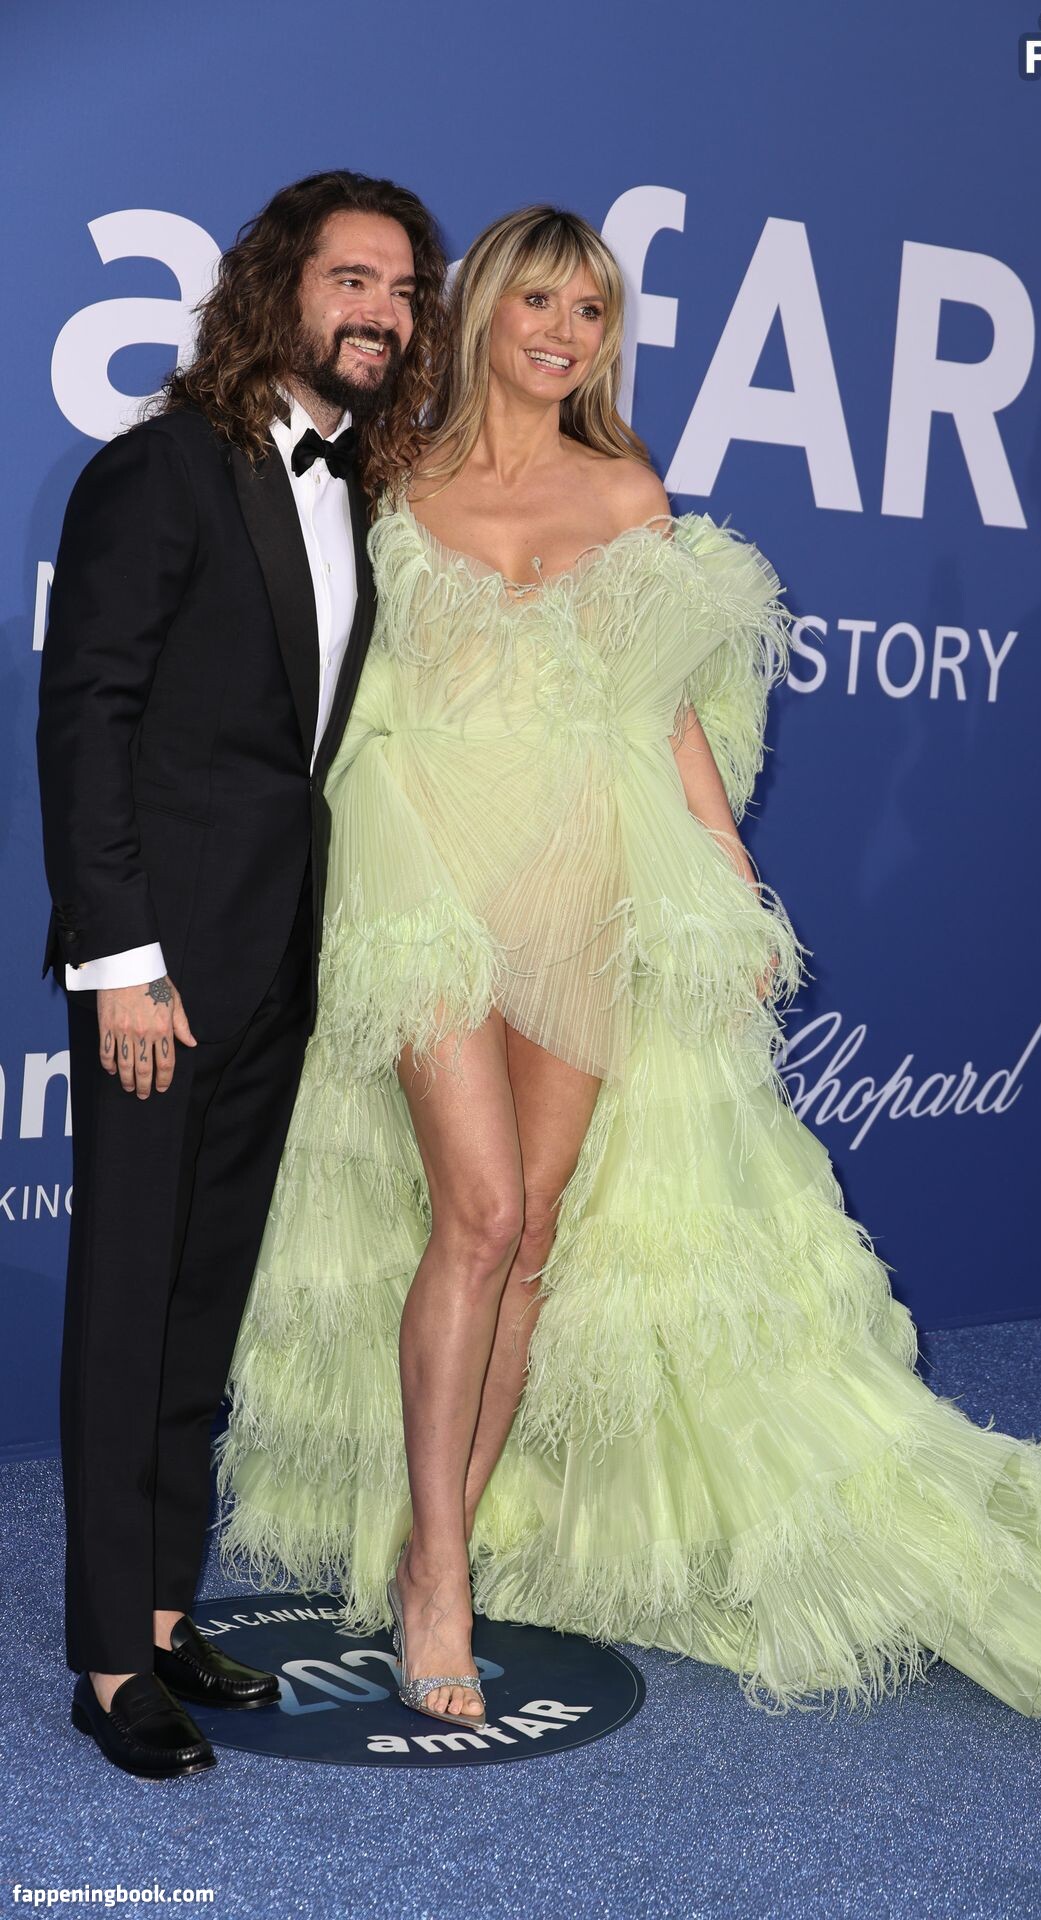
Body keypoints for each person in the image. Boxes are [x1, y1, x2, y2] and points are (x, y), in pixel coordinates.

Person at [219, 206, 1041, 1745]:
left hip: (584, 877)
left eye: (593, 311)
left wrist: (722, 877)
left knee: (535, 1236)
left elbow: (659, 712)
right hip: (422, 874)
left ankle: (445, 1533)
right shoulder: (389, 470)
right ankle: (436, 1574)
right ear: (483, 311)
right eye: (541, 301)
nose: (566, 333)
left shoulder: (627, 491)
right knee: (481, 1211)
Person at [37, 169, 447, 1779]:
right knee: (127, 1306)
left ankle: (161, 1615)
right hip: (157, 972)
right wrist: (122, 962)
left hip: (273, 960)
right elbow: (88, 719)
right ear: (276, 289)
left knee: (200, 1303)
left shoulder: (359, 490)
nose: (381, 313)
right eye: (353, 280)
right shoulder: (160, 470)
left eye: (403, 291)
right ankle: (103, 1666)